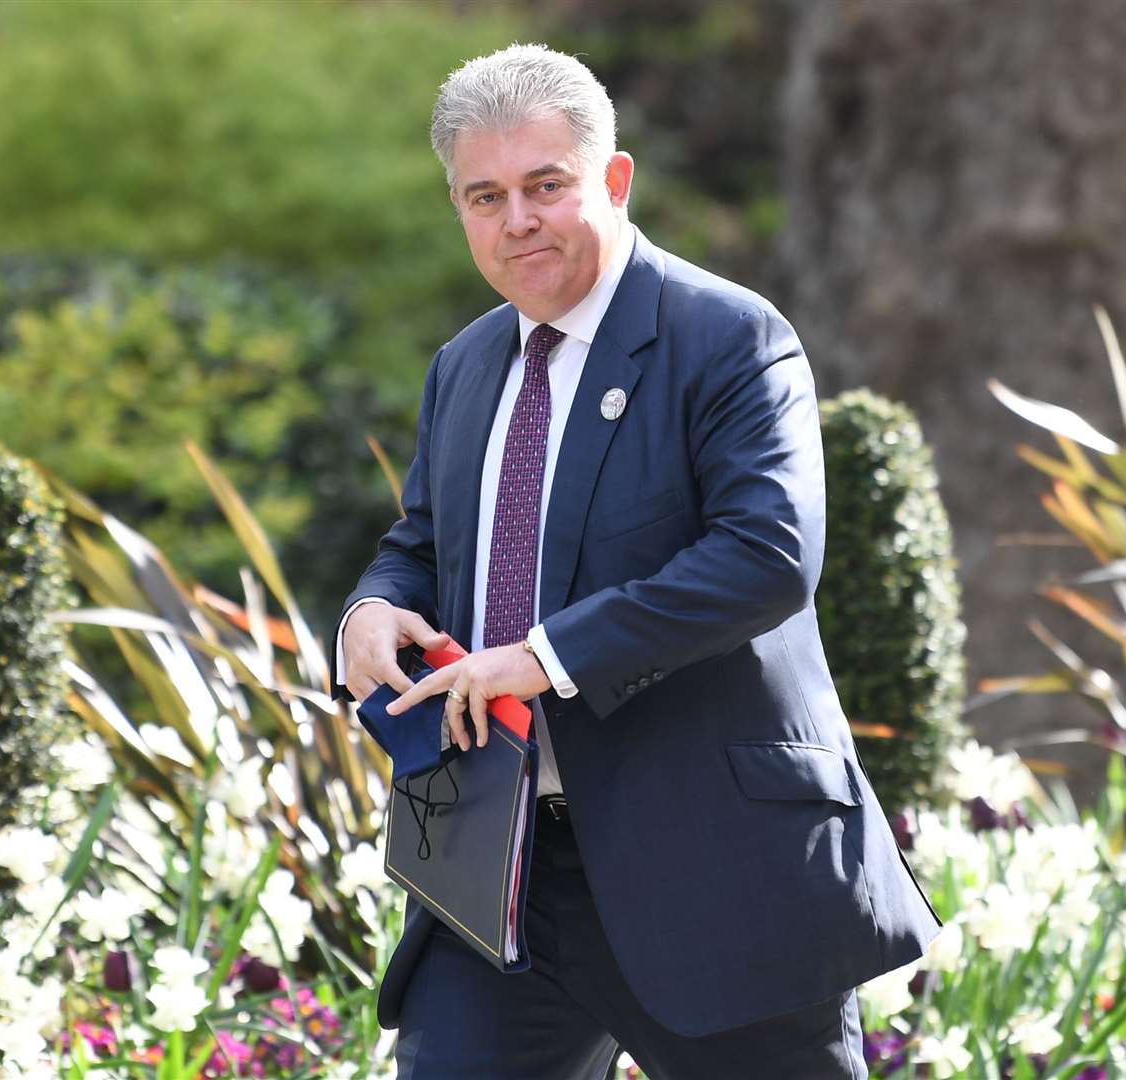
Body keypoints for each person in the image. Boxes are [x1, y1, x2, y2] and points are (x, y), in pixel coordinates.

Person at [332, 43, 942, 1079]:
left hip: (714, 870)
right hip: (504, 876)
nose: (516, 219)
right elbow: (424, 545)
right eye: (485, 197)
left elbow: (767, 556)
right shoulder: (466, 366)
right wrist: (374, 608)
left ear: (613, 181)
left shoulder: (730, 338)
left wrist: (541, 657)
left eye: (544, 186)